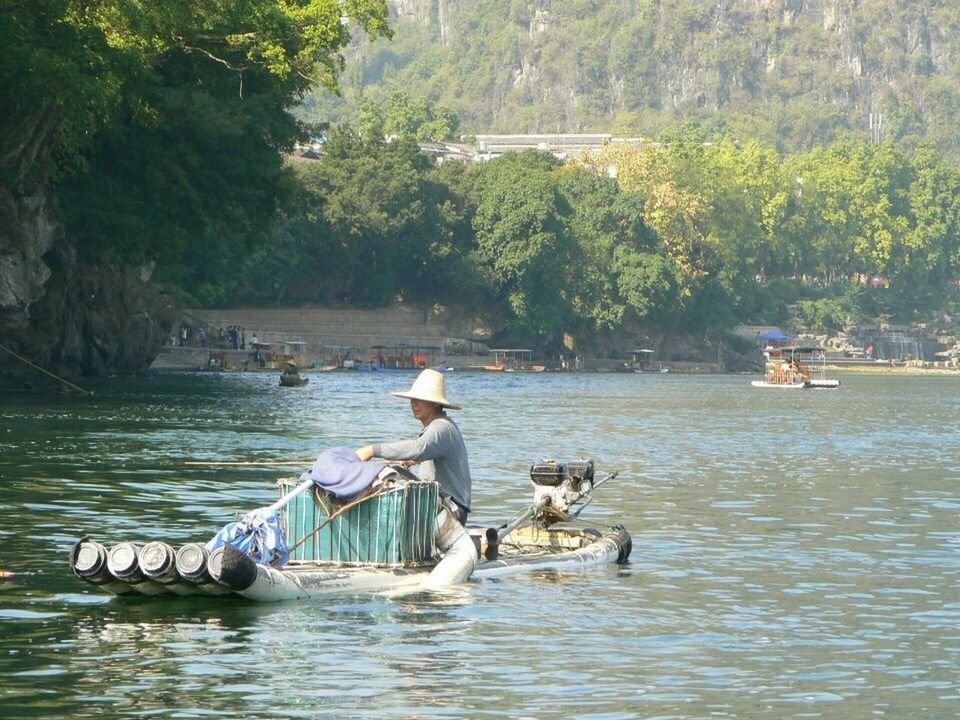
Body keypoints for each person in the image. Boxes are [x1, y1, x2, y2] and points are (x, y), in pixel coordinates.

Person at [356, 368, 471, 525]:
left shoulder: (441, 426)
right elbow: (422, 452)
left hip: (452, 510)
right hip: (443, 503)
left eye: (420, 399)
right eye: (412, 399)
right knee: (389, 472)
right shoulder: (438, 427)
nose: (413, 403)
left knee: (391, 479)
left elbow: (419, 448)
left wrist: (371, 450)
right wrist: (409, 460)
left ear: (436, 404)